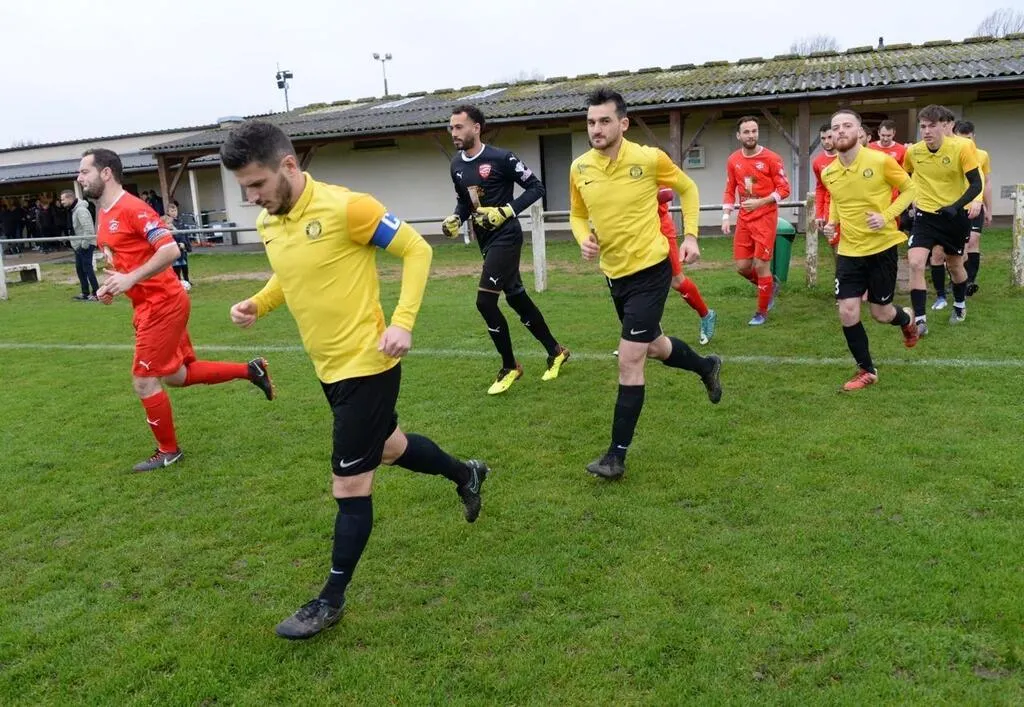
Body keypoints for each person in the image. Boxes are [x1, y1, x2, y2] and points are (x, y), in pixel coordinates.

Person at [221, 120, 491, 640]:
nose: (251, 198)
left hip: (368, 365)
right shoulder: (269, 223)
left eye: (256, 185)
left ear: (289, 167)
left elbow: (418, 248)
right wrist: (259, 301)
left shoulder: (350, 208)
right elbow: (291, 272)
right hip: (327, 369)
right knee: (391, 447)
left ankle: (330, 599)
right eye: (243, 189)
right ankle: (466, 473)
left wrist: (404, 320)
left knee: (349, 484)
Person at [78, 148, 275, 472]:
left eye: (84, 171)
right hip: (148, 304)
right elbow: (125, 260)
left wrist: (131, 278)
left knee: (144, 381)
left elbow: (169, 249)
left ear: (106, 173)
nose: (79, 177)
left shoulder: (132, 208)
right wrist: (111, 284)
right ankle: (251, 370)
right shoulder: (104, 212)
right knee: (176, 375)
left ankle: (168, 451)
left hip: (163, 304)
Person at [569, 88, 722, 481]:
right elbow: (577, 214)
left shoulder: (649, 159)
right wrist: (582, 237)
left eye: (604, 121)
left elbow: (688, 188)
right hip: (614, 273)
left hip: (651, 269)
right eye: (591, 122)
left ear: (623, 123)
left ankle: (615, 457)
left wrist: (691, 237)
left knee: (629, 359)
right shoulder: (580, 168)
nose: (596, 129)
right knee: (655, 346)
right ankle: (706, 366)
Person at [443, 105, 570, 394]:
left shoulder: (502, 158)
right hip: (485, 240)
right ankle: (556, 350)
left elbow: (536, 187)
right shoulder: (456, 165)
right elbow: (465, 202)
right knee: (516, 299)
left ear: (476, 128)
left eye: (459, 127)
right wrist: (456, 218)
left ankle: (510, 366)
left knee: (485, 302)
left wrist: (507, 210)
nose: (454, 133)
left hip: (507, 237)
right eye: (451, 128)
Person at [821, 109, 920, 391]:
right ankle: (867, 370)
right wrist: (832, 223)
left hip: (881, 247)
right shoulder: (829, 172)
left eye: (847, 125)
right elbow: (838, 200)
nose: (840, 130)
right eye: (835, 126)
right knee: (847, 311)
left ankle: (907, 319)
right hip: (850, 250)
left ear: (860, 131)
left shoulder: (879, 161)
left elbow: (910, 189)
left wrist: (886, 216)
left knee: (881, 313)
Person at [902, 105, 982, 332]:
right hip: (925, 216)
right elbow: (904, 177)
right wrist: (909, 200)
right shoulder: (914, 152)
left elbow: (976, 184)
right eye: (923, 126)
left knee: (955, 265)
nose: (926, 131)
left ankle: (959, 304)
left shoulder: (962, 147)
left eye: (932, 126)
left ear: (945, 127)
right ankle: (919, 320)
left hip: (955, 217)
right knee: (916, 262)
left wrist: (955, 206)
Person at [721, 116, 791, 325]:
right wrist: (726, 215)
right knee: (742, 267)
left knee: (761, 266)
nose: (751, 135)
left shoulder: (772, 158)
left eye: (754, 131)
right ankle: (770, 286)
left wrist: (761, 202)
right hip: (744, 219)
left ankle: (761, 312)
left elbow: (784, 190)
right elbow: (729, 189)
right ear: (738, 135)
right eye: (746, 132)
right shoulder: (734, 160)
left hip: (765, 219)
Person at [656, 186, 716, 344]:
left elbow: (669, 191)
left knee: (676, 280)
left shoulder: (652, 162)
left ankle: (706, 314)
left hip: (659, 229)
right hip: (633, 232)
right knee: (638, 282)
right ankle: (635, 338)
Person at [953, 120, 990, 297]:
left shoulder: (982, 155)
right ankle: (957, 279)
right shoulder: (953, 154)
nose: (966, 143)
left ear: (973, 136)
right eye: (961, 139)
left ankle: (970, 282)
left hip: (976, 205)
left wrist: (989, 209)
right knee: (958, 245)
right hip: (959, 205)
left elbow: (986, 183)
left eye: (968, 138)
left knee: (973, 242)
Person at [60, 189, 100, 301]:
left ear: (70, 198)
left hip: (85, 244)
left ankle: (97, 293)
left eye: (63, 199)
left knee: (87, 268)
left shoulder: (81, 210)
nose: (61, 202)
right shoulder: (73, 210)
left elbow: (88, 229)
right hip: (79, 245)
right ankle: (85, 292)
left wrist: (84, 245)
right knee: (80, 269)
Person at [812, 123, 840, 251]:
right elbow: (820, 188)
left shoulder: (845, 156)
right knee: (836, 249)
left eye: (829, 137)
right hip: (830, 210)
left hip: (850, 208)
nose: (827, 141)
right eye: (823, 138)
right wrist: (819, 214)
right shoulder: (818, 162)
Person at [165, 203, 192, 290]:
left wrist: (185, 244)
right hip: (174, 247)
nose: (174, 212)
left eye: (175, 210)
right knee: (176, 266)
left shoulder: (180, 221)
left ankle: (186, 280)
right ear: (168, 212)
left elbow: (183, 234)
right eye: (172, 211)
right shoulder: (167, 222)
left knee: (184, 265)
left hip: (182, 246)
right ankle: (178, 281)